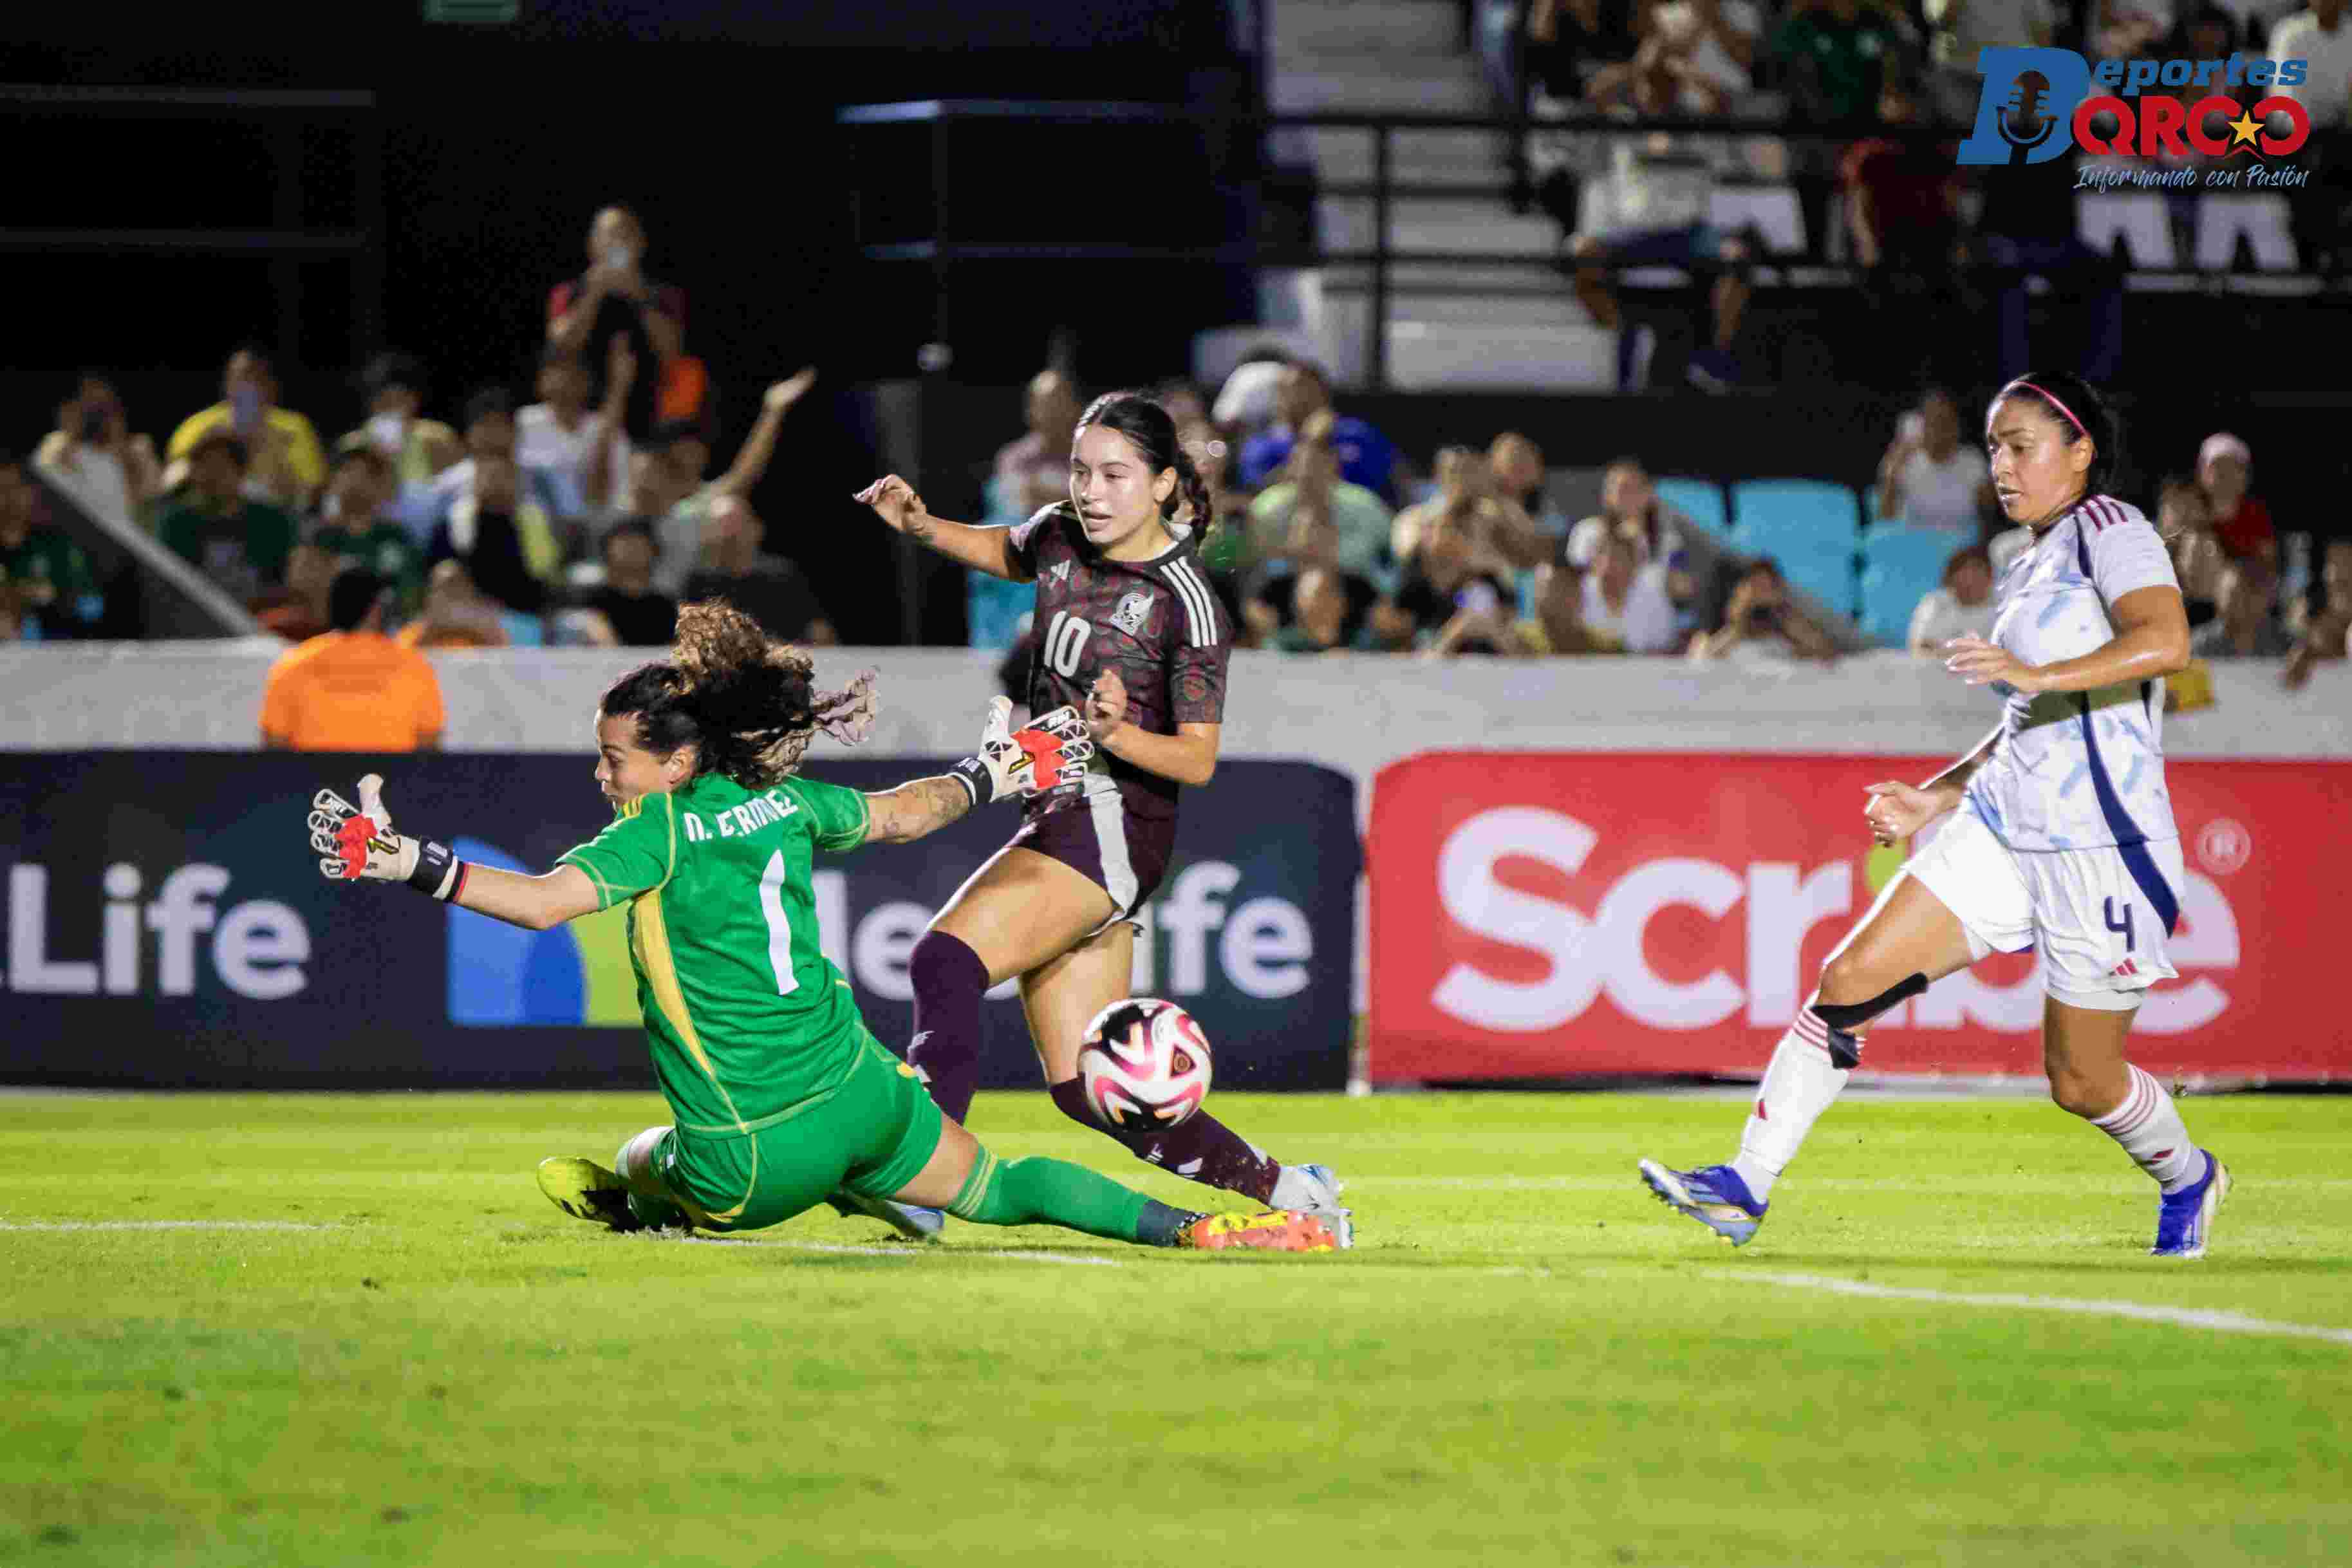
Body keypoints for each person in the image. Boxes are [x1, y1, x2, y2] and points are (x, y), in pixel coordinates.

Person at [306, 600, 1347, 1254]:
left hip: (752, 1157)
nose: (601, 774)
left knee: (637, 1153)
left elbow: (535, 905)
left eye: (614, 757)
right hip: (864, 1097)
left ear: (674, 765)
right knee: (999, 1182)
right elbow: (907, 812)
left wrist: (406, 862)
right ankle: (1202, 1228)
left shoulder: (653, 833)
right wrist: (994, 770)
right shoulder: (789, 803)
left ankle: (659, 1204)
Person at [1639, 371, 2228, 1258]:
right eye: (1993, 445)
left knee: (2079, 1080)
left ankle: (2188, 1174)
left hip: (2100, 849)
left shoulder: (2112, 529)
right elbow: (2026, 722)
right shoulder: (2024, 563)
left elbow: (2165, 641)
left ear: (2078, 452)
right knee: (1845, 983)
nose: (2001, 464)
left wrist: (2035, 674)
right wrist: (1936, 792)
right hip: (2000, 830)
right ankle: (1744, 1183)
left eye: (2020, 444)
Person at [852, 393, 1348, 1222]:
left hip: (1117, 823)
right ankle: (1295, 1190)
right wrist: (923, 526)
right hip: (1061, 812)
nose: (1092, 490)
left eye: (1115, 474)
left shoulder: (1186, 603)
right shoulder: (1058, 531)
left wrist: (1113, 732)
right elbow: (1008, 553)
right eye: (1082, 471)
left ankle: (923, 1183)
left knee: (945, 960)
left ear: (1161, 485)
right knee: (1088, 1089)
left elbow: (1197, 758)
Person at [259, 568, 445, 751]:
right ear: (376, 610)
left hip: (316, 781)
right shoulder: (414, 667)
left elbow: (275, 746)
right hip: (389, 781)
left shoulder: (293, 664)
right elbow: (428, 748)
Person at [546, 205, 689, 442]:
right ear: (592, 244)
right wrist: (594, 293)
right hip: (582, 416)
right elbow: (561, 347)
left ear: (640, 244)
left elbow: (672, 354)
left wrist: (639, 296)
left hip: (647, 414)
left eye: (625, 234)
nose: (616, 242)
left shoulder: (664, 296)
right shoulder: (569, 292)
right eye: (608, 234)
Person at [164, 345, 326, 512]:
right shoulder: (197, 426)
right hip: (208, 512)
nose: (247, 387)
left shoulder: (295, 427)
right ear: (227, 385)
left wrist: (273, 453)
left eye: (256, 378)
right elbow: (171, 483)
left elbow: (313, 493)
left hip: (275, 514)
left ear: (271, 387)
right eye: (239, 378)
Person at [156, 432, 299, 606]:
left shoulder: (272, 522)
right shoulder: (177, 524)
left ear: (241, 472)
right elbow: (167, 586)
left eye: (219, 467)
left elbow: (285, 584)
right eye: (201, 466)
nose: (210, 476)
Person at [1235, 362, 1400, 501]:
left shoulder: (1357, 434)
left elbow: (1390, 478)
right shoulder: (1262, 444)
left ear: (1323, 392)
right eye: (1286, 390)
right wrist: (1311, 442)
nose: (1296, 397)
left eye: (1304, 388)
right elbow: (1258, 492)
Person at [680, 496, 832, 644]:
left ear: (757, 529)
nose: (730, 534)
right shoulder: (698, 581)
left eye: (736, 524)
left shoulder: (782, 575)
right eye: (721, 525)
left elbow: (819, 632)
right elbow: (686, 639)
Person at [35, 373, 160, 530]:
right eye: (92, 408)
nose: (101, 417)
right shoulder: (57, 447)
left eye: (107, 407)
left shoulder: (139, 449)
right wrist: (70, 439)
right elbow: (48, 494)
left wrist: (124, 457)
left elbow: (151, 506)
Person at [519, 346, 632, 521]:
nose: (563, 381)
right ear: (541, 381)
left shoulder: (610, 432)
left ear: (588, 382)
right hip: (535, 525)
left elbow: (617, 497)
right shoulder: (522, 424)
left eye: (572, 374)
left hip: (594, 525)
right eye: (555, 372)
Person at [0, 450, 102, 640]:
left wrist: (51, 599)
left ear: (30, 493)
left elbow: (93, 607)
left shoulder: (56, 546)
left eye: (13, 488)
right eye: (1, 489)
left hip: (52, 653)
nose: (7, 498)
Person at [314, 438, 425, 612]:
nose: (355, 481)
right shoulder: (318, 537)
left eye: (366, 473)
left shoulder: (397, 537)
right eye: (346, 470)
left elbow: (411, 596)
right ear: (332, 481)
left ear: (381, 485)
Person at [1876, 389, 1995, 536]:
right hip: (1914, 549)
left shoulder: (1972, 461)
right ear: (1921, 425)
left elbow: (1989, 519)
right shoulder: (1904, 463)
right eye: (1932, 422)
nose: (1938, 430)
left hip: (1961, 551)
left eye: (1945, 422)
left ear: (1956, 426)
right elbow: (1884, 519)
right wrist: (1893, 471)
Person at [1687, 555, 1837, 663]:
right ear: (1740, 591)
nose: (1761, 596)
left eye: (1767, 588)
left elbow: (1826, 653)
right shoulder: (1713, 628)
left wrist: (1784, 614)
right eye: (1756, 587)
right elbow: (1700, 659)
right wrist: (1740, 619)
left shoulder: (1787, 628)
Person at [346, 351, 461, 490]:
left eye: (399, 401)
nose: (391, 409)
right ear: (371, 405)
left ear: (414, 401)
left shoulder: (438, 438)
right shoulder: (353, 445)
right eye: (385, 402)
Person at [1563, 458, 1692, 570]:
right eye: (1618, 488)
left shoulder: (1668, 541)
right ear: (1607, 494)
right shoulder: (1587, 531)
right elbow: (1575, 577)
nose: (1626, 496)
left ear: (1649, 494)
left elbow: (1682, 584)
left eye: (1633, 488)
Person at [994, 370, 1084, 518]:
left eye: (1059, 403)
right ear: (1031, 411)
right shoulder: (1013, 457)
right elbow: (1020, 502)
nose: (1052, 413)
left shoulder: (1091, 456)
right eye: (1045, 405)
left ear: (1076, 407)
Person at [1580, 530, 1681, 653]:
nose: (1611, 565)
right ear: (1594, 562)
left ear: (1634, 565)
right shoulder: (1580, 593)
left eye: (1620, 558)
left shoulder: (1654, 598)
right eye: (1604, 555)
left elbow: (1665, 648)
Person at [585, 519, 678, 646]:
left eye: (639, 546)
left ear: (654, 553)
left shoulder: (666, 605)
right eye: (625, 546)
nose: (632, 551)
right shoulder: (593, 601)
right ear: (608, 553)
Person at [2196, 433, 2275, 566]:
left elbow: (2268, 568)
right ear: (2203, 475)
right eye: (2217, 467)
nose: (2225, 475)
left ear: (2246, 477)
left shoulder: (2258, 518)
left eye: (2233, 467)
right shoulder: (2187, 514)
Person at [2282, 540, 2352, 689]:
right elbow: (2292, 678)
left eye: (2347, 564)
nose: (2340, 571)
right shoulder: (2309, 615)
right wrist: (2306, 655)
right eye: (2334, 565)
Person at [2191, 559, 2293, 658]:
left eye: (2249, 593)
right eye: (2233, 595)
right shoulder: (2199, 646)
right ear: (2218, 598)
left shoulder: (2285, 645)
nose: (2241, 604)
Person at [400, 560, 509, 651]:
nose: (448, 597)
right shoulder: (413, 633)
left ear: (469, 594)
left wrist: (473, 624)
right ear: (429, 597)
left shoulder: (488, 629)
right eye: (440, 589)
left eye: (455, 589)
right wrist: (432, 627)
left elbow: (504, 659)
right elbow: (402, 661)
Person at [1907, 544, 1997, 651]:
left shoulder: (2003, 607)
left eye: (1976, 568)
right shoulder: (1935, 602)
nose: (1969, 576)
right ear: (1951, 576)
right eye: (1963, 569)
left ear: (1990, 575)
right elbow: (1920, 645)